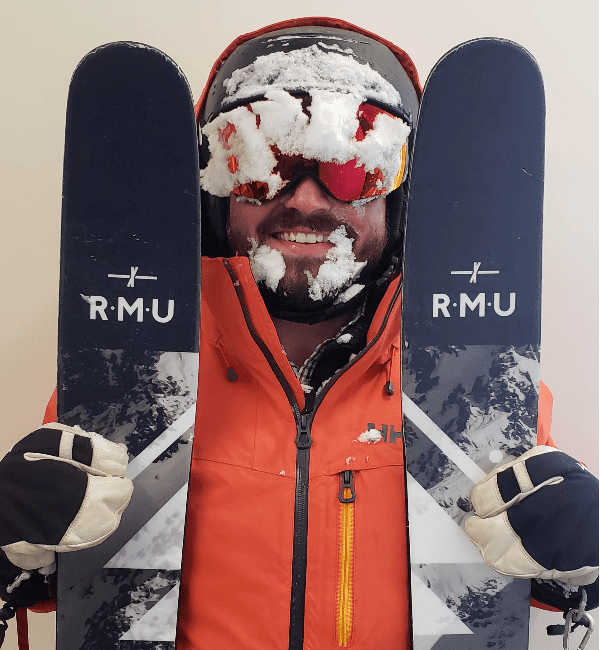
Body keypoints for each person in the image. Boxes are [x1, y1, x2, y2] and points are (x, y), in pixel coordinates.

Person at [0, 17, 597, 650]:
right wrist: (12, 551)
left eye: (353, 166)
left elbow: (524, 570)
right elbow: (62, 571)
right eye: (261, 160)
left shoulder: (472, 380)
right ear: (214, 190)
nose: (307, 202)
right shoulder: (134, 375)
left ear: (400, 197)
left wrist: (578, 552)